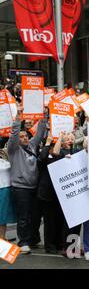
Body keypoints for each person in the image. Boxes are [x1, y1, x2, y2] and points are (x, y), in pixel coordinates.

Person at [8, 106, 47, 254]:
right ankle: (23, 241)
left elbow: (41, 132)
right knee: (23, 216)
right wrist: (18, 118)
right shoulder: (13, 149)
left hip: (33, 187)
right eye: (21, 137)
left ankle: (32, 239)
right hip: (20, 188)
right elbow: (14, 135)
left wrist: (44, 115)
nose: (24, 138)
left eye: (26, 136)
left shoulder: (31, 145)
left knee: (34, 216)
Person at [0, 148, 15, 240]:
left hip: (5, 189)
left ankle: (2, 238)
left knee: (2, 217)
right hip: (3, 189)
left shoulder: (5, 159)